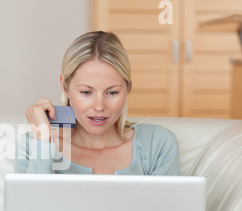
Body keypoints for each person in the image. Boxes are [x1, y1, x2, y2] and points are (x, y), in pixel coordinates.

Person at [15, 31, 181, 176]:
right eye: (86, 92)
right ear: (65, 87)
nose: (99, 107)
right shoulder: (33, 143)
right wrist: (43, 139)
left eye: (112, 92)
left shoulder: (157, 144)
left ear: (127, 88)